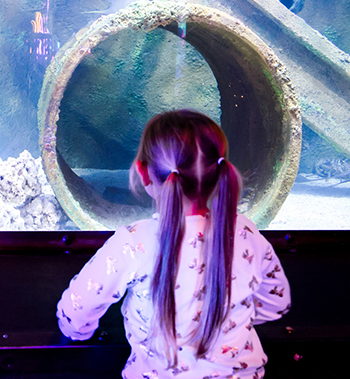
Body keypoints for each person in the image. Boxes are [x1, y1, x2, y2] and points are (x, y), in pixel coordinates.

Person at [56, 110, 291, 378]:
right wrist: (226, 317)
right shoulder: (246, 231)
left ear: (144, 174)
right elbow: (276, 304)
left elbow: (75, 314)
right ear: (219, 173)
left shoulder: (133, 242)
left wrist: (79, 333)